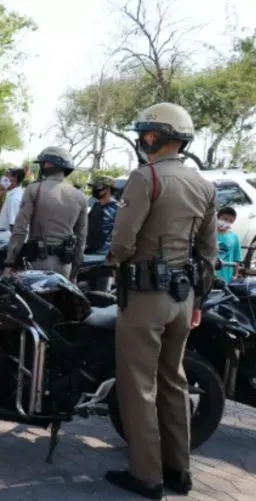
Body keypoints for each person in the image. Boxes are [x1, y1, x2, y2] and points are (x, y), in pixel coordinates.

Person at [103, 103, 217, 499]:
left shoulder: (145, 177)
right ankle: (178, 471)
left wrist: (113, 264)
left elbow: (123, 241)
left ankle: (146, 475)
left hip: (144, 298)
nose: (142, 139)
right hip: (184, 299)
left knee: (138, 385)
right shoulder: (204, 185)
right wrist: (198, 300)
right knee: (174, 380)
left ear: (154, 136)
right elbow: (209, 252)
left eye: (145, 133)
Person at [3, 146, 87, 280]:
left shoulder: (34, 189)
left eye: (43, 163)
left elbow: (20, 229)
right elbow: (81, 238)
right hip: (65, 265)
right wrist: (74, 273)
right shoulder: (80, 196)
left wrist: (10, 262)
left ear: (49, 164)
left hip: (37, 263)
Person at [84, 175, 119, 291]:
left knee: (102, 294)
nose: (94, 190)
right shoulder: (96, 206)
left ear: (108, 189)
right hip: (90, 258)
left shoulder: (117, 208)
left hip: (105, 260)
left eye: (97, 187)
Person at [215, 207, 241, 282]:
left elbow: (237, 259)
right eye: (225, 219)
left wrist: (235, 275)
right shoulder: (208, 234)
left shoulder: (234, 237)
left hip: (226, 278)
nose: (227, 223)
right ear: (217, 217)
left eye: (230, 221)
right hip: (210, 276)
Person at [0, 168, 26, 233]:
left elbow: (15, 227)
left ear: (14, 179)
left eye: (6, 176)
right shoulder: (14, 194)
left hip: (8, 238)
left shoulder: (13, 199)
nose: (2, 180)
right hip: (4, 237)